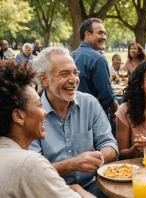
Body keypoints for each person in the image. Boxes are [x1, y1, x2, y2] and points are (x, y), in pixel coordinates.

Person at [29, 47, 118, 197]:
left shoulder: (89, 103)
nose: (73, 80)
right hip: (49, 190)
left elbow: (110, 145)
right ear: (44, 79)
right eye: (64, 74)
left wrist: (97, 157)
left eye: (75, 73)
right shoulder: (31, 113)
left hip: (93, 185)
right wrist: (72, 164)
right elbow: (34, 173)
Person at [0, 62, 94, 197]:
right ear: (19, 116)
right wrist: (79, 192)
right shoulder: (30, 164)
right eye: (39, 105)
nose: (44, 112)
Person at [71, 18, 118, 120]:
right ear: (87, 34)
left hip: (72, 115)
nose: (104, 37)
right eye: (100, 33)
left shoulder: (71, 56)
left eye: (105, 34)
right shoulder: (99, 59)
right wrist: (117, 110)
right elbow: (107, 97)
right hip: (94, 118)